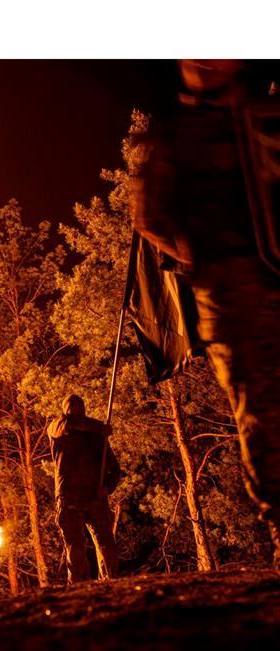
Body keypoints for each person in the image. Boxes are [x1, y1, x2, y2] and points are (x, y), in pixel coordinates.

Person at [131, 60, 280, 566]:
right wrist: (203, 259)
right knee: (264, 417)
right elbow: (150, 216)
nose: (203, 58)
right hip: (233, 300)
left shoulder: (267, 116)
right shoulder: (173, 137)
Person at [47, 394, 121, 583]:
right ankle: (79, 588)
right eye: (72, 406)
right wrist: (100, 427)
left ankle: (111, 583)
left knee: (106, 543)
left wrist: (107, 488)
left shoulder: (97, 438)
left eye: (79, 405)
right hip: (69, 498)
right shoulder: (57, 428)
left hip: (95, 497)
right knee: (76, 546)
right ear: (64, 409)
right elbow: (70, 422)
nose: (76, 409)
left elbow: (114, 468)